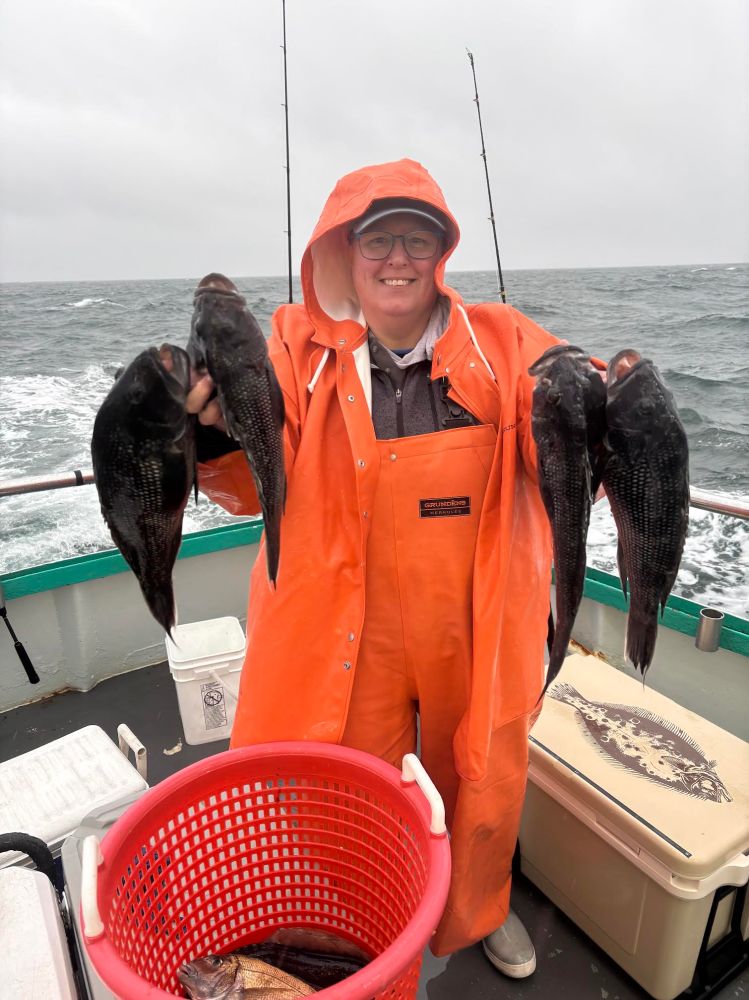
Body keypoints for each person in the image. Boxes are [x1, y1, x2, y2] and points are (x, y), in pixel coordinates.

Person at [187, 158, 560, 978]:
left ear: (443, 254)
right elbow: (252, 487)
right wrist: (208, 436)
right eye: (378, 239)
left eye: (417, 241)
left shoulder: (501, 340)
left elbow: (561, 406)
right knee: (337, 793)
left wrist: (610, 411)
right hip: (337, 620)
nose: (397, 259)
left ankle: (475, 911)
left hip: (471, 617)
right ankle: (351, 930)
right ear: (343, 252)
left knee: (483, 777)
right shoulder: (287, 345)